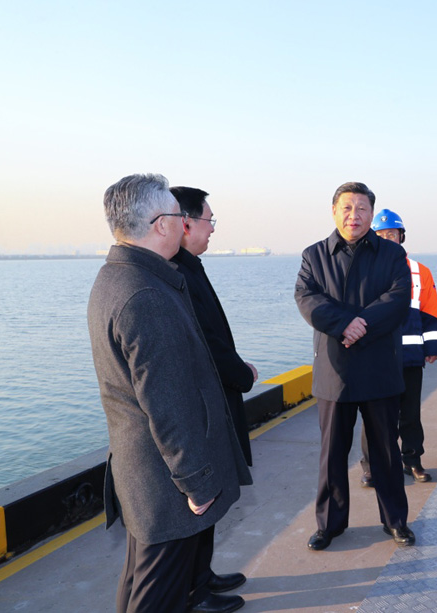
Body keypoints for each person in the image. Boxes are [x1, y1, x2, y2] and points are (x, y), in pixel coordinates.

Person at [88, 174, 252, 613]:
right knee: (158, 596)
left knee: (140, 582)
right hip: (163, 481)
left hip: (142, 473)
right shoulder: (146, 295)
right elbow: (167, 404)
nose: (185, 224)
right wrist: (196, 482)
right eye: (180, 216)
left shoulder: (116, 277)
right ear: (161, 224)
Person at [295, 182, 415, 551]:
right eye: (347, 208)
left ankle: (395, 520)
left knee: (386, 452)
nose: (354, 215)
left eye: (362, 208)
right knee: (332, 453)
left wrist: (360, 325)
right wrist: (344, 324)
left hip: (379, 366)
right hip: (335, 369)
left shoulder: (392, 254)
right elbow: (306, 297)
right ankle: (329, 524)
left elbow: (398, 298)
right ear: (334, 212)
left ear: (371, 214)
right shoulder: (315, 255)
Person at [170, 186, 259, 607]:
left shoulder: (190, 267)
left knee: (212, 497)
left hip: (215, 398)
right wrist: (242, 374)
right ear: (185, 223)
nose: (212, 230)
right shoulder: (177, 273)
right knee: (199, 500)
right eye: (209, 221)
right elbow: (207, 342)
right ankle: (195, 590)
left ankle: (202, 575)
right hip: (205, 405)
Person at [359, 209, 437, 486]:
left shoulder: (420, 271)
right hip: (375, 357)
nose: (387, 239)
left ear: (401, 237)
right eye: (381, 235)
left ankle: (412, 460)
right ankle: (372, 467)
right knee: (374, 416)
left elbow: (431, 312)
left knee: (410, 414)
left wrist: (433, 346)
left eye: (392, 234)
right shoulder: (363, 268)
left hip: (410, 357)